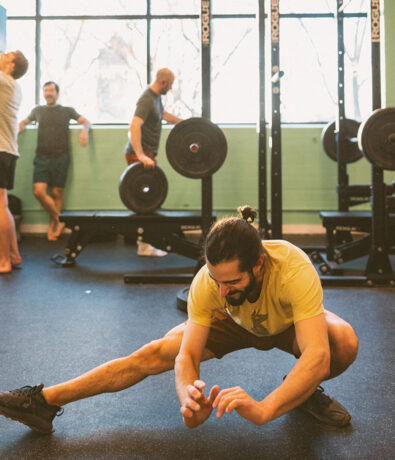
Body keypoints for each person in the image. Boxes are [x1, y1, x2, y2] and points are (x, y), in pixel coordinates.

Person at [0, 205, 358, 434]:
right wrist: (187, 397)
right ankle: (43, 401)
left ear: (258, 265)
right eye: (216, 281)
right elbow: (185, 357)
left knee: (343, 342)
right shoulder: (211, 284)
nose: (221, 290)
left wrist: (266, 409)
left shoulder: (293, 268)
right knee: (155, 353)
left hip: (286, 322)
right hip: (233, 321)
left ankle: (303, 391)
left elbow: (317, 355)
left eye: (232, 281)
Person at [18, 81, 91, 241]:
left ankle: (53, 225)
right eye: (46, 91)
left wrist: (84, 132)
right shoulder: (37, 111)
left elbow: (86, 121)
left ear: (57, 93)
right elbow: (24, 122)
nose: (48, 93)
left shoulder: (66, 111)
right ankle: (60, 219)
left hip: (61, 157)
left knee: (57, 193)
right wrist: (18, 127)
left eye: (51, 90)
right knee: (39, 192)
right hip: (42, 157)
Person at [124, 67, 182, 257]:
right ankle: (144, 246)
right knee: (145, 201)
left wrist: (185, 123)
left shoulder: (156, 99)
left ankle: (145, 243)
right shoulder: (147, 98)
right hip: (139, 155)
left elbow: (163, 116)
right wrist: (140, 155)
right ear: (163, 82)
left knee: (148, 201)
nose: (170, 89)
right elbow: (134, 126)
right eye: (170, 85)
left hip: (147, 154)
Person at [0, 50, 29, 274]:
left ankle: (4, 262)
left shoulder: (5, 82)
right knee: (3, 203)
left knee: (0, 205)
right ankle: (13, 254)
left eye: (4, 55)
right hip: (8, 151)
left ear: (10, 66)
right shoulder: (12, 86)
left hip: (1, 150)